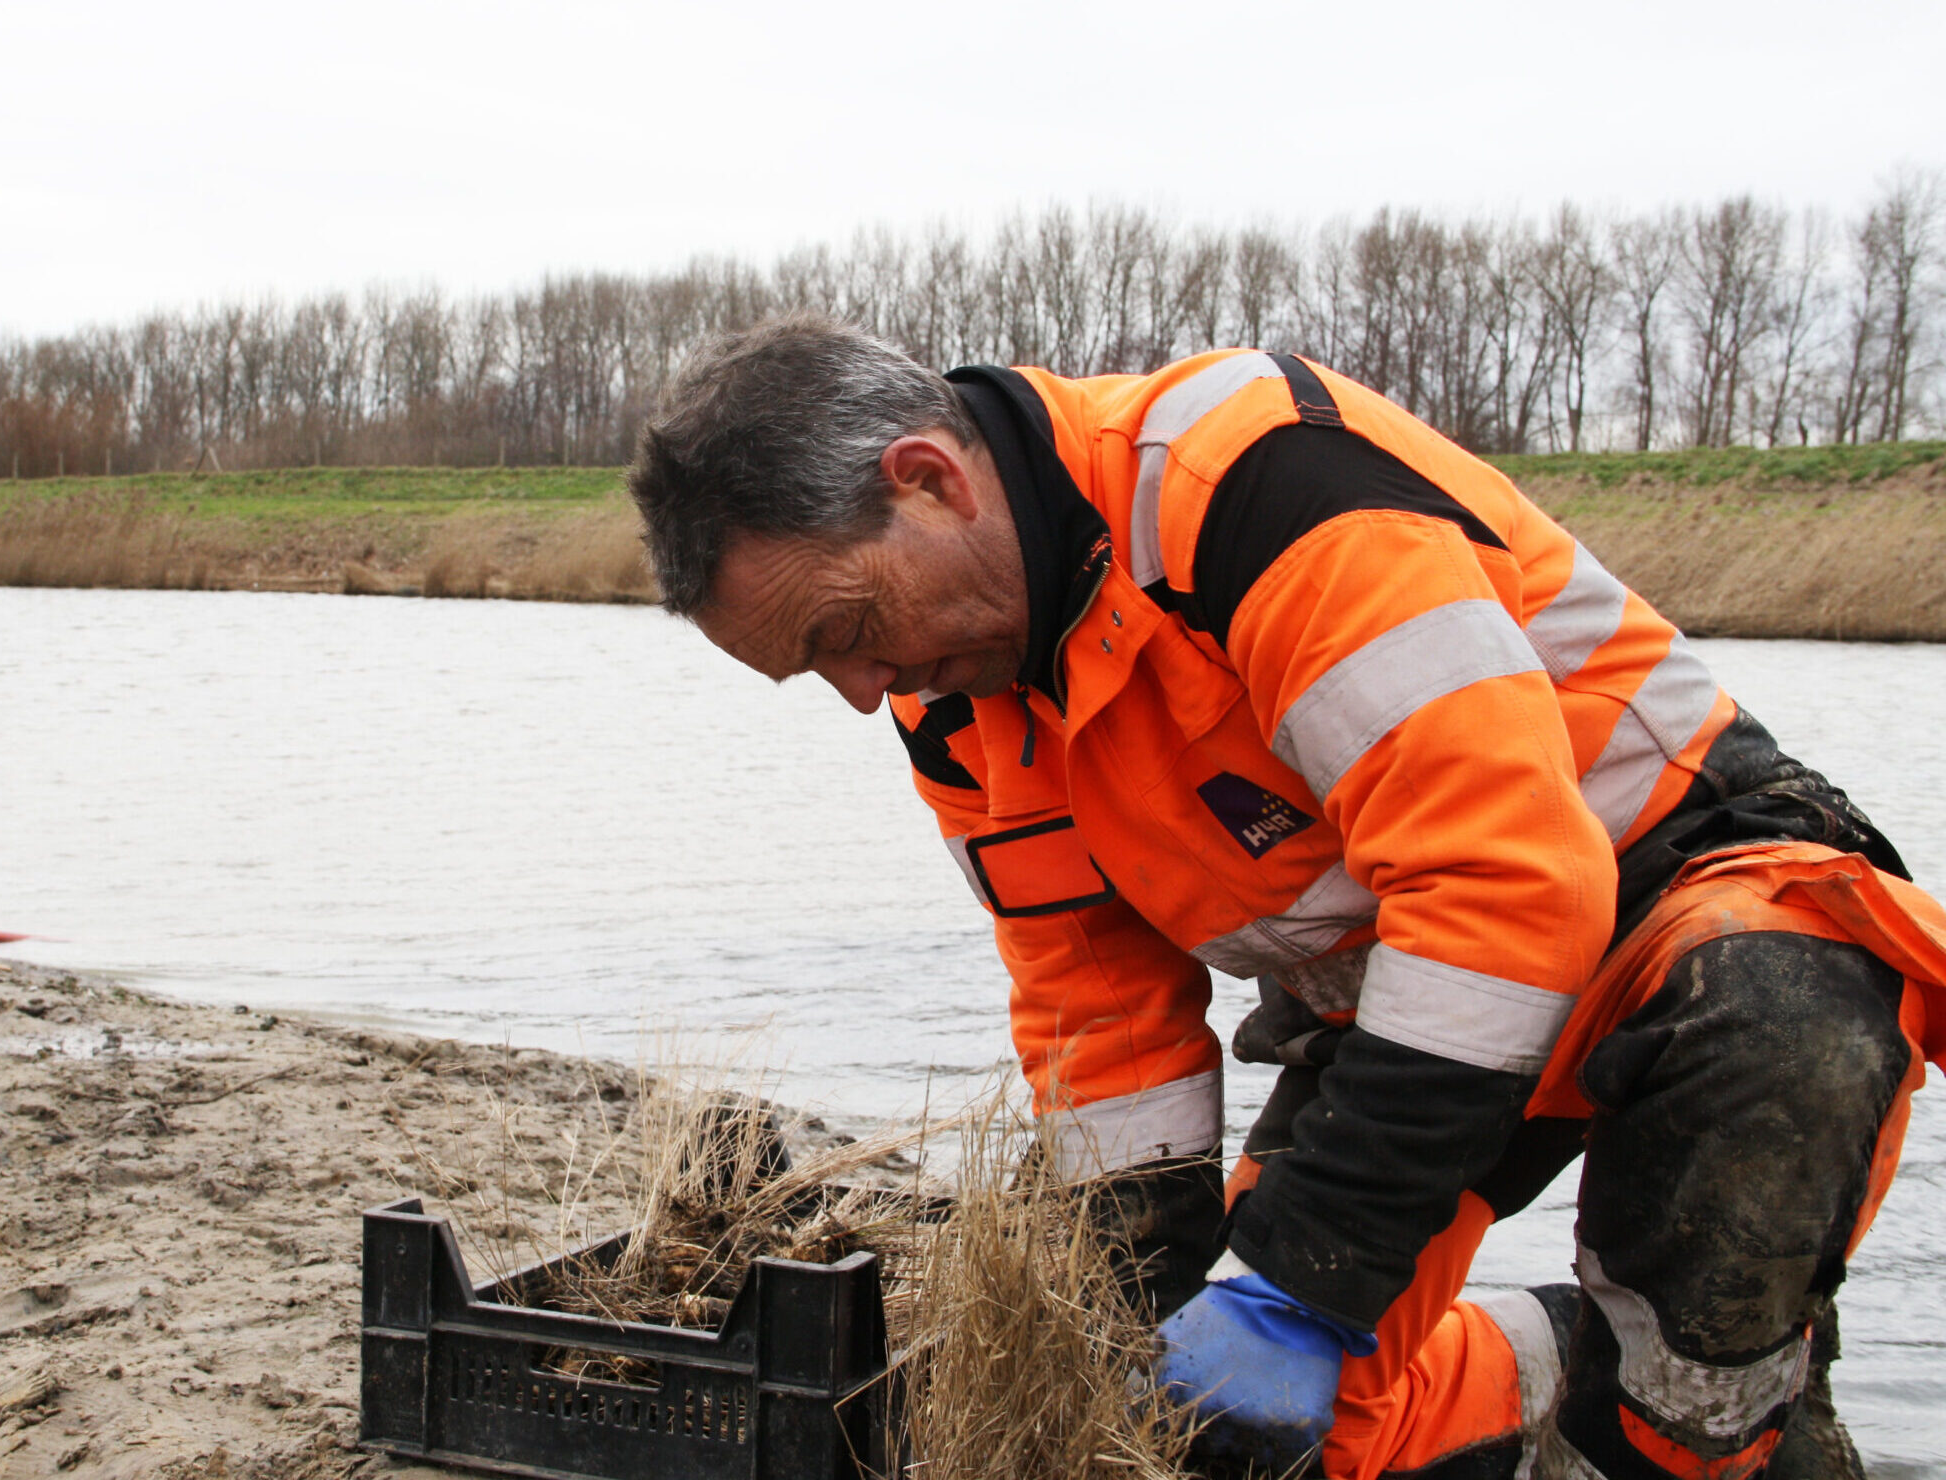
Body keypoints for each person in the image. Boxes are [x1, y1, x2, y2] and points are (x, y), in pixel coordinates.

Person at [625, 314, 1946, 1480]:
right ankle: (1582, 1369)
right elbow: (1102, 1016)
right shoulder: (955, 701)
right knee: (1247, 1442)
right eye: (823, 675)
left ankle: (1709, 1423)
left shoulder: (1249, 483)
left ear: (928, 482)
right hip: (1412, 990)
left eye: (848, 633)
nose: (870, 691)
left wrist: (1304, 1285)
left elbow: (1506, 888)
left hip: (1681, 896)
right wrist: (1153, 1300)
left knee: (1762, 1054)